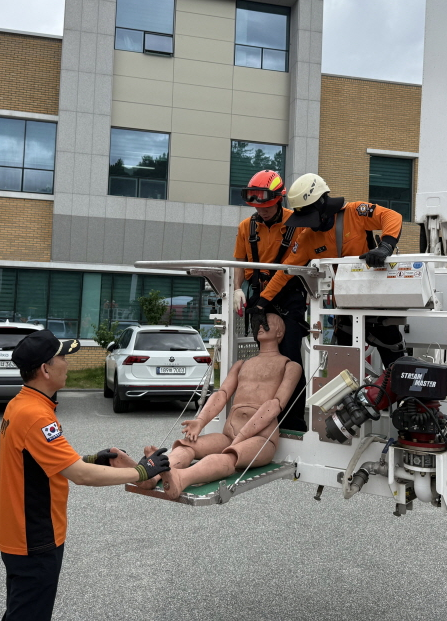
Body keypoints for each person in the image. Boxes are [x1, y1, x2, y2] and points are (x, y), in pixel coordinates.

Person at [0, 329, 169, 621]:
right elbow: (81, 476)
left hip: (22, 533)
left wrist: (92, 458)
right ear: (45, 369)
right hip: (35, 537)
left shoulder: (23, 403)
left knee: (22, 611)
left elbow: (41, 461)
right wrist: (142, 471)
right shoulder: (36, 415)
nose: (68, 362)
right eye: (62, 356)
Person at [249, 172, 407, 368]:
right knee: (343, 368)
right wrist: (261, 304)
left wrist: (385, 246)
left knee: (394, 359)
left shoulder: (355, 213)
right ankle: (350, 399)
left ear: (322, 204)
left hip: (378, 301)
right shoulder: (307, 237)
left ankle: (404, 396)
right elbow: (285, 272)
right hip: (346, 306)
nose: (308, 223)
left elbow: (391, 216)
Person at [135, 313, 301, 500]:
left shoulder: (290, 366)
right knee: (188, 445)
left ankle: (180, 479)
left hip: (261, 438)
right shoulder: (242, 364)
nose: (260, 326)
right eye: (257, 323)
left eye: (266, 323)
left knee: (229, 457)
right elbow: (221, 394)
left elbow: (275, 405)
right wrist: (200, 421)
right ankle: (153, 474)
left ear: (280, 331)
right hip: (229, 434)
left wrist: (243, 436)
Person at [231, 169, 308, 430]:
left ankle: (294, 421)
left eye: (267, 205)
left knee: (289, 358)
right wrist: (236, 288)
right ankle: (265, 416)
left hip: (288, 296)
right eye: (257, 206)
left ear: (279, 199)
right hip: (257, 295)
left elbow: (296, 264)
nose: (262, 211)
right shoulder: (246, 227)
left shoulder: (297, 224)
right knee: (265, 359)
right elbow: (239, 262)